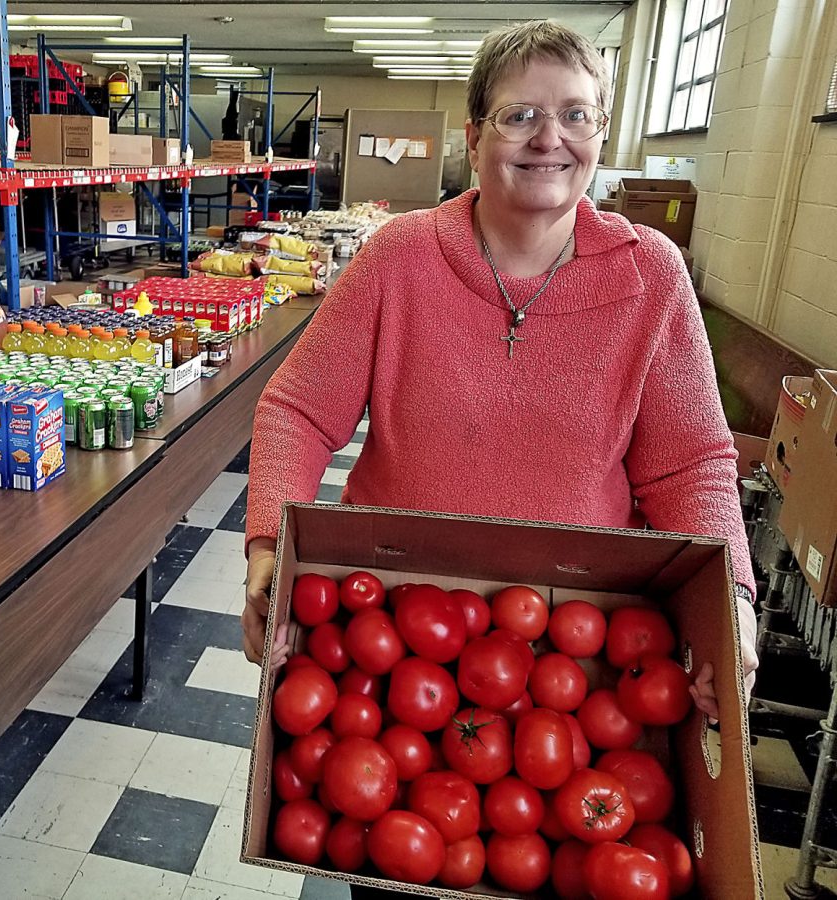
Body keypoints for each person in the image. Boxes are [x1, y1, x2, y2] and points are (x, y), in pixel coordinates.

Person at [243, 19, 757, 742]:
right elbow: (298, 410)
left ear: (600, 132)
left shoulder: (653, 275)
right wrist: (269, 545)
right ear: (474, 134)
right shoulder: (400, 258)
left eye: (575, 114)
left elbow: (692, 461)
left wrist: (730, 600)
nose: (550, 139)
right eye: (520, 116)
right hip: (385, 627)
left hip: (575, 643)